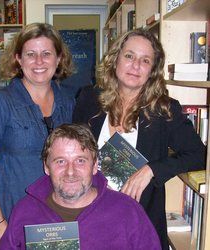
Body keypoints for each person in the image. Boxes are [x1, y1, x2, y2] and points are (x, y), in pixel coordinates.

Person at [72, 29, 206, 249]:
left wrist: (151, 170)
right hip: (91, 220)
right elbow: (74, 150)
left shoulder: (164, 110)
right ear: (115, 59)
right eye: (129, 56)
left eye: (145, 60)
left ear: (152, 70)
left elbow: (200, 155)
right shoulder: (89, 99)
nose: (135, 65)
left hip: (138, 225)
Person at [0, 23, 75, 250]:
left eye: (46, 54)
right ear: (19, 59)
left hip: (57, 215)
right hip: (11, 211)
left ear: (58, 59)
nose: (39, 62)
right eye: (31, 54)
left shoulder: (69, 103)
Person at [0, 123, 161, 250]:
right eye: (60, 161)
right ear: (46, 167)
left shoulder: (128, 211)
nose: (70, 171)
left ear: (95, 165)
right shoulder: (25, 210)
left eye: (80, 161)